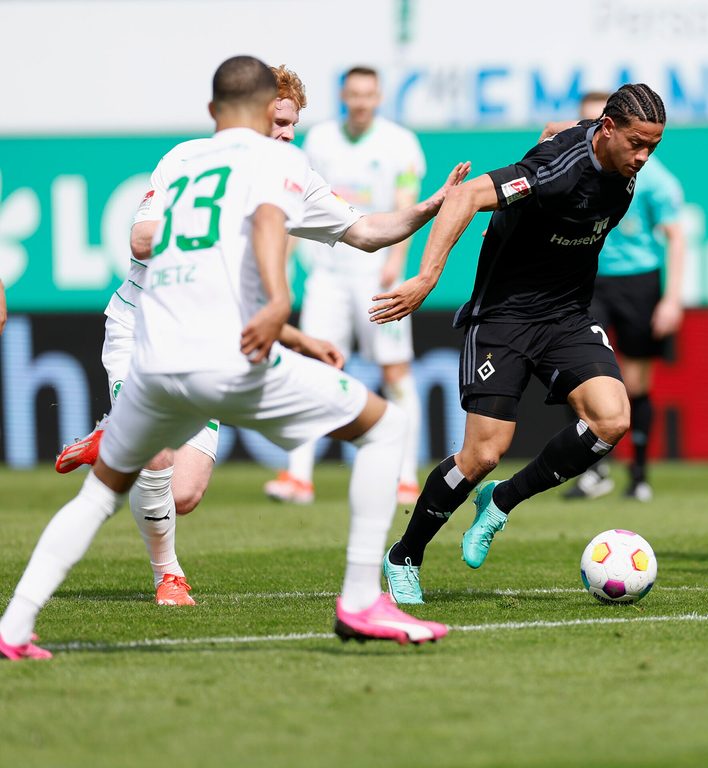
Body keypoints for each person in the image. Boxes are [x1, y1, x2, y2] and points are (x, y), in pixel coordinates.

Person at [0, 56, 456, 661]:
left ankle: (13, 629)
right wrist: (278, 306)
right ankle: (360, 599)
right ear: (261, 111)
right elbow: (277, 224)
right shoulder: (275, 164)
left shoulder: (190, 161)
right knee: (386, 427)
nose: (289, 133)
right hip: (213, 352)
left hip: (163, 354)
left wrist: (423, 209)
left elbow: (359, 229)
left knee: (148, 494)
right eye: (283, 120)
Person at [372, 84, 667, 604]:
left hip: (566, 316)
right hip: (503, 319)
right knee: (483, 453)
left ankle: (502, 502)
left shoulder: (611, 160)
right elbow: (466, 195)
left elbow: (559, 130)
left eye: (653, 147)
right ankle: (405, 556)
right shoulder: (559, 168)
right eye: (637, 143)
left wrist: (548, 137)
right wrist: (427, 277)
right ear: (609, 129)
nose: (644, 157)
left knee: (612, 418)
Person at [264, 66, 427, 507]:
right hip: (328, 273)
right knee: (312, 366)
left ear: (378, 97)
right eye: (353, 93)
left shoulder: (399, 143)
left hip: (375, 274)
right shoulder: (318, 141)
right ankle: (298, 476)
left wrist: (397, 261)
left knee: (395, 371)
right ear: (343, 96)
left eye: (368, 94)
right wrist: (285, 274)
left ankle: (406, 477)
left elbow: (404, 204)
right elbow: (291, 210)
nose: (360, 101)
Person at [558, 91, 685, 502]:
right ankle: (593, 471)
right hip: (587, 278)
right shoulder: (575, 165)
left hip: (637, 282)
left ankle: (640, 473)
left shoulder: (655, 176)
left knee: (636, 382)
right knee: (578, 372)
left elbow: (676, 236)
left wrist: (672, 298)